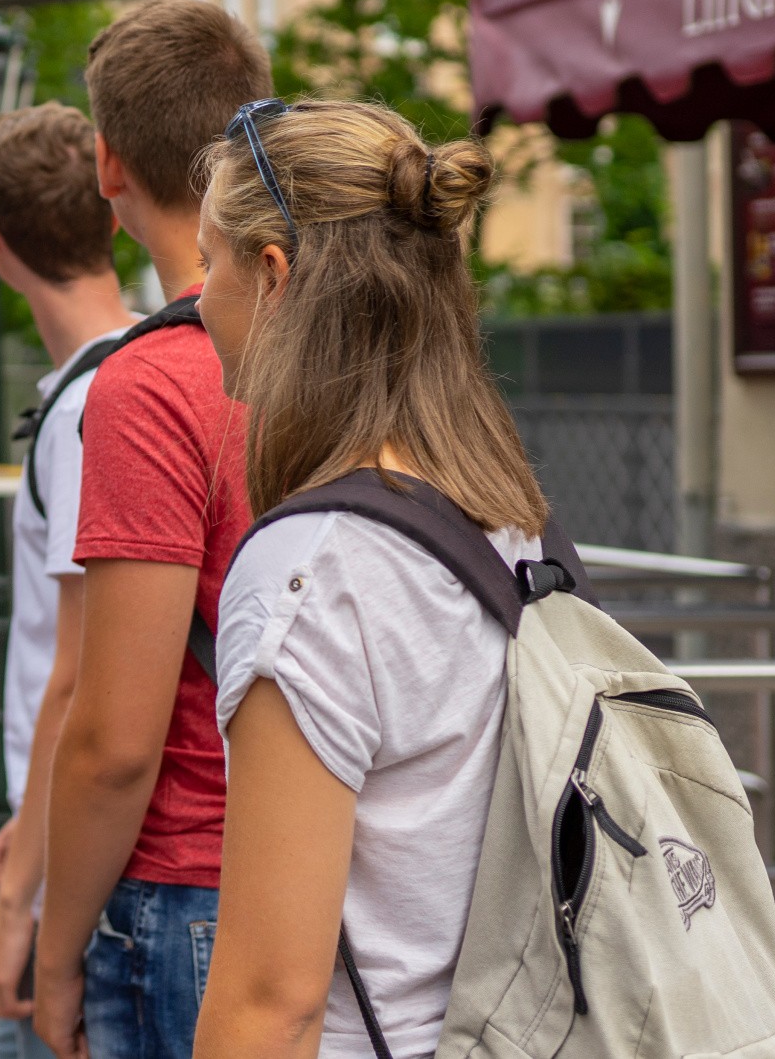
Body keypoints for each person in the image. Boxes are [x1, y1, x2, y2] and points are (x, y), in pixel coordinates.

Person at [189, 102, 541, 1059]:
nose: (195, 293)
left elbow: (274, 1002)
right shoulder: (498, 514)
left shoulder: (313, 567)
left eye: (208, 259)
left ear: (273, 279)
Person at [36, 0, 271, 1059]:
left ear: (106, 163)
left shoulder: (150, 383)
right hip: (342, 872)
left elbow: (116, 741)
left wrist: (53, 946)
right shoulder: (343, 348)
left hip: (188, 889)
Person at [0, 106, 139, 1058]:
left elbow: (71, 680)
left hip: (88, 870)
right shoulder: (165, 362)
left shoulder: (86, 411)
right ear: (111, 212)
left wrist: (16, 899)